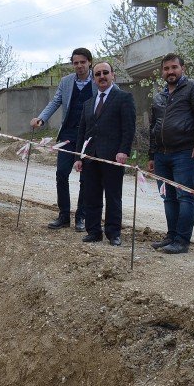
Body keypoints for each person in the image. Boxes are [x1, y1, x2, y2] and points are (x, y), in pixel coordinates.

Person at [147, 53, 194, 254]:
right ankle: (171, 236)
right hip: (162, 155)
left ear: (182, 68)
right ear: (162, 72)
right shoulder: (159, 96)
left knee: (185, 196)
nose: (170, 72)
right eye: (166, 69)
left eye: (174, 67)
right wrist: (152, 155)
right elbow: (154, 127)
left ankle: (182, 241)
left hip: (185, 153)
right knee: (168, 197)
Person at [31, 48, 95, 232]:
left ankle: (81, 217)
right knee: (61, 174)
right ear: (72, 64)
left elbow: (114, 95)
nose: (79, 66)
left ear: (89, 62)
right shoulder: (66, 82)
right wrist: (41, 118)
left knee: (86, 178)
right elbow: (55, 102)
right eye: (76, 63)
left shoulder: (98, 80)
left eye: (83, 62)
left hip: (89, 138)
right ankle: (64, 215)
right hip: (68, 135)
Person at [73, 62, 136, 247]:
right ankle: (93, 231)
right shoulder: (88, 103)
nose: (102, 76)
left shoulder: (124, 98)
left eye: (105, 73)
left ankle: (113, 233)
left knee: (113, 197)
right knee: (91, 196)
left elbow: (128, 128)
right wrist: (78, 157)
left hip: (113, 158)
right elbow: (82, 132)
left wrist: (124, 150)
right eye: (98, 74)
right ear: (94, 79)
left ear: (113, 75)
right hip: (90, 158)